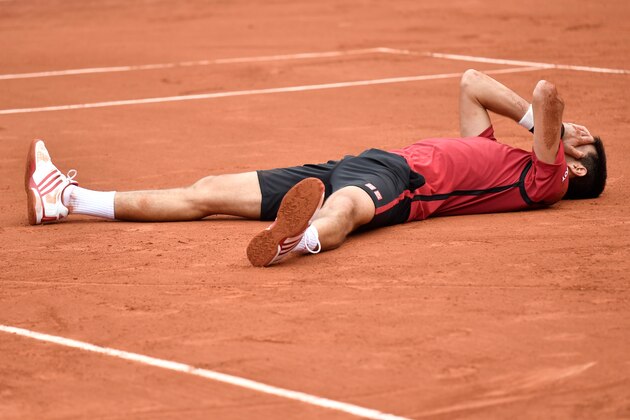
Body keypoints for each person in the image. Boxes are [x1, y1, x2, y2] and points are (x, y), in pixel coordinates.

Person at [25, 69, 607, 267]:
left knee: (347, 209)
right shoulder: (500, 157)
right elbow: (470, 82)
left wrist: (553, 130)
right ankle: (70, 201)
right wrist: (531, 128)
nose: (575, 136)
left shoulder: (544, 179)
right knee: (207, 191)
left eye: (584, 143)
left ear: (575, 169)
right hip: (363, 161)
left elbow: (546, 92)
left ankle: (299, 241)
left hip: (401, 186)